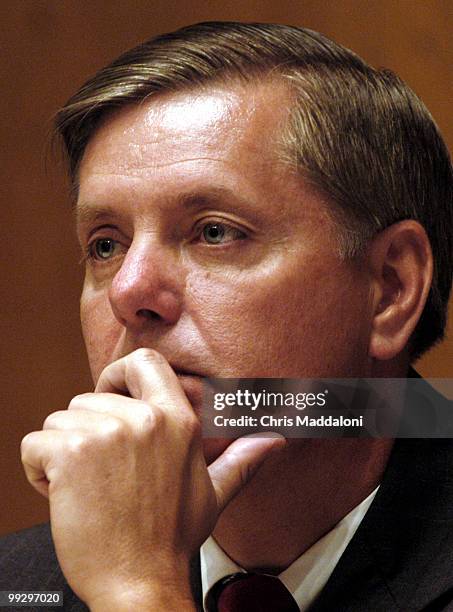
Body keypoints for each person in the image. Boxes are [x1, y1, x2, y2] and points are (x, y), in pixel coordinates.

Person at [1, 21, 452, 611]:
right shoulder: (18, 584)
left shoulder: (126, 584)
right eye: (106, 245)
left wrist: (140, 592)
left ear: (390, 289)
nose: (129, 290)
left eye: (214, 232)